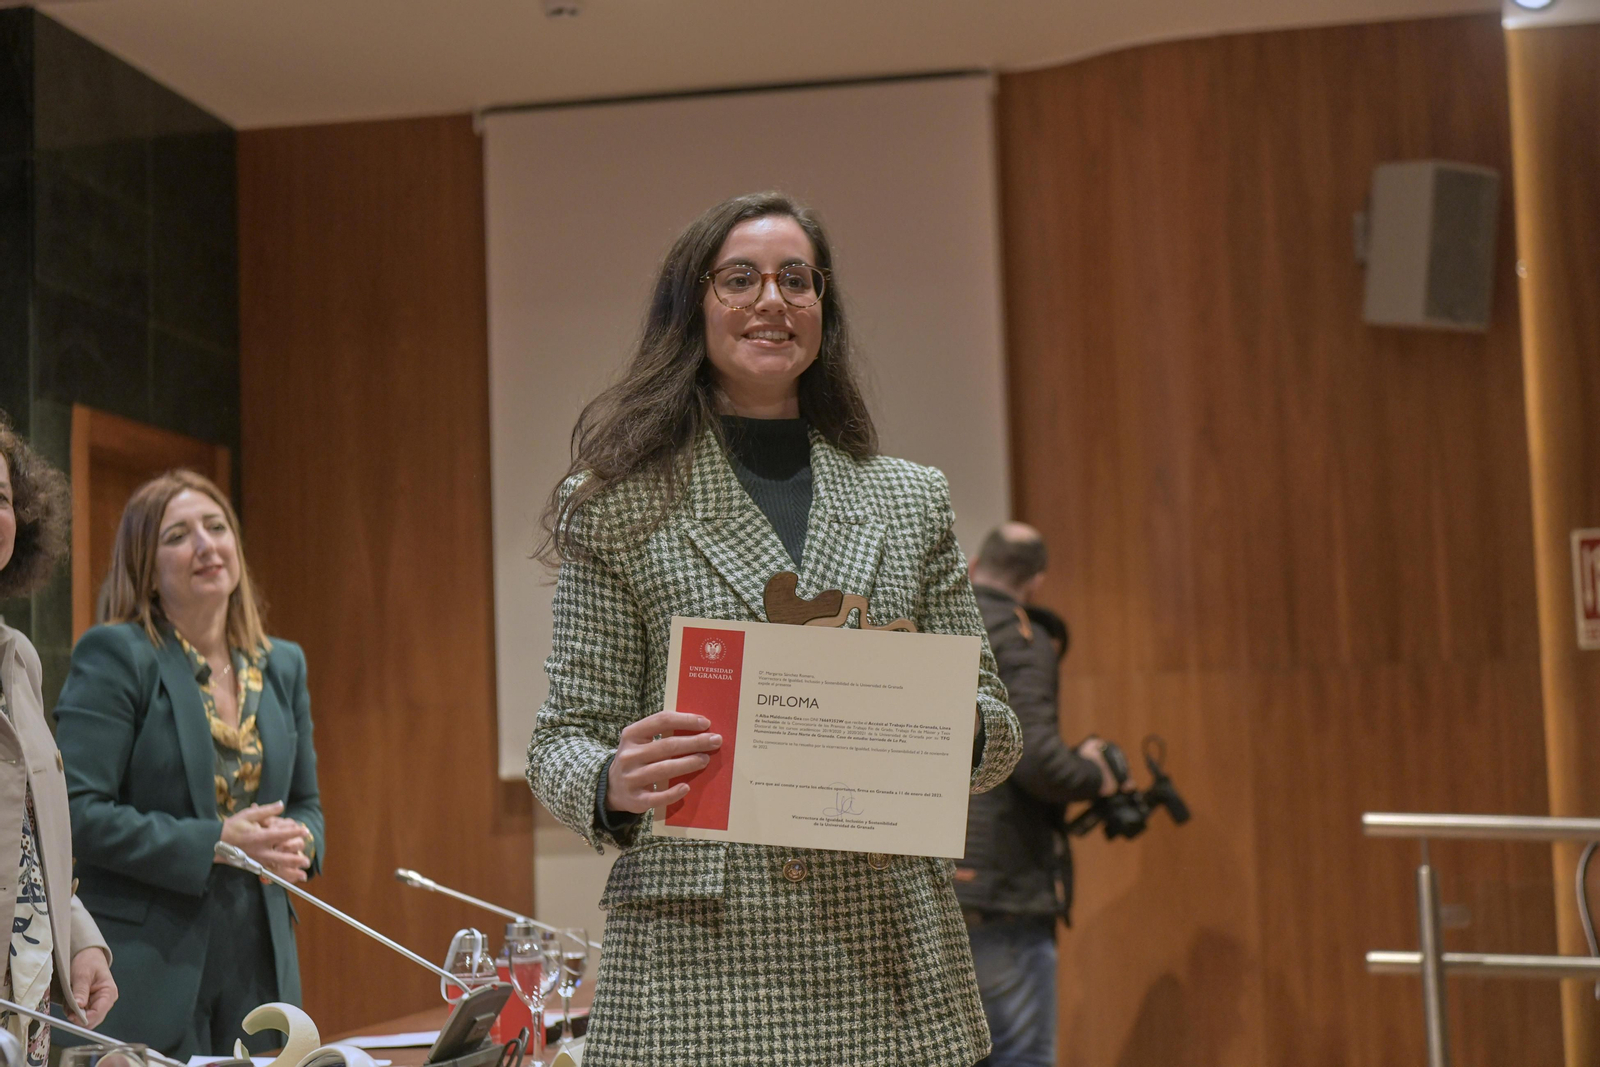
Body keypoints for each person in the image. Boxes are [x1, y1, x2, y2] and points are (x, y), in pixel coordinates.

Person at [526, 191, 1023, 1066]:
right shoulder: (614, 503)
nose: (772, 300)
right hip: (702, 968)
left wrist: (946, 720)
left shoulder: (910, 498)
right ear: (693, 306)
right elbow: (562, 739)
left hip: (887, 953)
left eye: (797, 279)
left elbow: (998, 729)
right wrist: (613, 779)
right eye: (740, 279)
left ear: (823, 307)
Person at [53, 470, 324, 1057]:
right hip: (150, 968)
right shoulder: (117, 655)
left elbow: (307, 804)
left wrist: (296, 840)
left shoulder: (283, 664)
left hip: (259, 965)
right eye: (177, 535)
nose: (205, 545)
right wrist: (216, 842)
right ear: (147, 568)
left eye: (217, 527)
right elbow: (73, 812)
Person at [956, 522, 1124, 1067]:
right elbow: (1033, 759)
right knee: (1021, 1058)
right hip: (1002, 893)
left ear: (974, 567)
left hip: (943, 883)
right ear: (1037, 583)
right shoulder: (1021, 636)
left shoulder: (941, 624)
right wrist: (1097, 774)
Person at [0, 415, 118, 1064]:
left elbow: (27, 834)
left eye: (0, 496)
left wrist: (79, 937)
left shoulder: (18, 656)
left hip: (25, 1009)